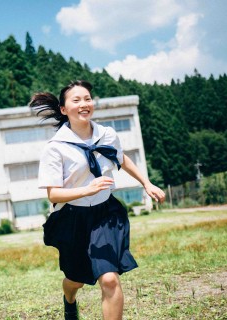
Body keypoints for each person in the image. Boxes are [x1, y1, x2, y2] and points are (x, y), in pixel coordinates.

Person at [29, 80, 165, 320]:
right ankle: (69, 300)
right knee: (75, 280)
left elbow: (122, 159)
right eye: (76, 100)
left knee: (110, 279)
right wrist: (87, 190)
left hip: (105, 214)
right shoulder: (55, 148)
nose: (84, 104)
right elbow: (54, 194)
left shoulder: (107, 134)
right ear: (63, 109)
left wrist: (147, 183)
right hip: (72, 218)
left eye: (88, 98)